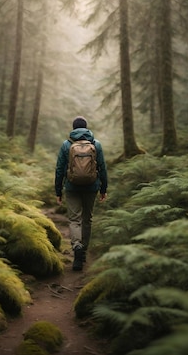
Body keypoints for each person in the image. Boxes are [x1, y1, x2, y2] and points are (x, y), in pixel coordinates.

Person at [55, 116, 108, 271]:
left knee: (74, 220)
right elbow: (102, 168)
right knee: (87, 219)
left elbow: (59, 169)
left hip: (72, 187)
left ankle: (76, 247)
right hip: (92, 186)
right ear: (86, 128)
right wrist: (103, 189)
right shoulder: (96, 144)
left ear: (73, 128)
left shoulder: (66, 145)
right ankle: (83, 251)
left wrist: (58, 190)